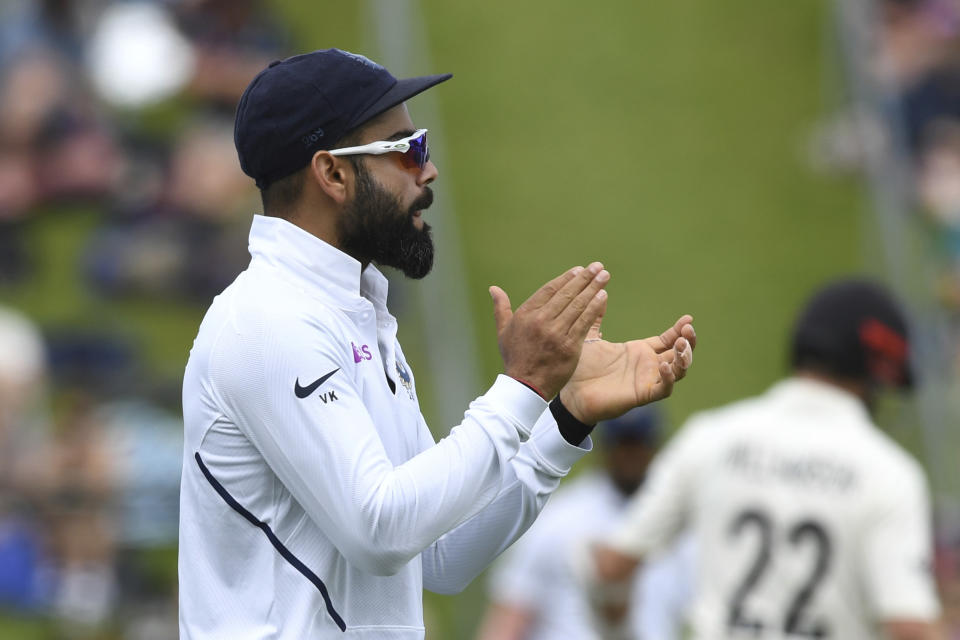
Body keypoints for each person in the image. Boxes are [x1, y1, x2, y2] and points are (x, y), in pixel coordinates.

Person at [177, 48, 696, 639]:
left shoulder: (353, 311)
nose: (428, 169)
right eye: (407, 147)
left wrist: (563, 420)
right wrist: (522, 386)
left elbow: (439, 552)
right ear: (333, 174)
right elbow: (380, 530)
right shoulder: (268, 320)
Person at [585, 279, 941, 640]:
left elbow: (610, 569)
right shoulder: (889, 473)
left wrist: (620, 633)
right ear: (875, 372)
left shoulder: (709, 437)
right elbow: (910, 627)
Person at [475, 406, 695, 640]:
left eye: (639, 444)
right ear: (607, 448)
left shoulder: (679, 524)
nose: (631, 456)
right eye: (623, 445)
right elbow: (510, 614)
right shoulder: (560, 518)